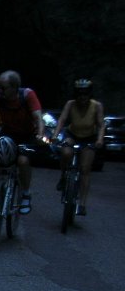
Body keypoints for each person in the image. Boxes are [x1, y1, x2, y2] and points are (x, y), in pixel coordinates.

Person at [0, 70, 46, 214]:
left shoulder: (27, 95)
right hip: (8, 132)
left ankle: (25, 194)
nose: (0, 90)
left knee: (23, 161)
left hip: (27, 134)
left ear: (14, 87)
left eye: (3, 87)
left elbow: (38, 117)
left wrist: (40, 134)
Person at [52, 78, 105, 216]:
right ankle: (64, 176)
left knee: (85, 169)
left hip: (89, 137)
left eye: (85, 94)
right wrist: (55, 135)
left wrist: (100, 140)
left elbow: (101, 125)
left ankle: (82, 204)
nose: (82, 97)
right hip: (72, 134)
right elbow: (62, 120)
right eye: (80, 94)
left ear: (90, 94)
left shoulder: (96, 106)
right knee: (66, 152)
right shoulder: (70, 104)